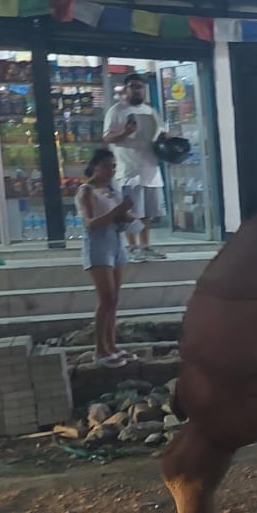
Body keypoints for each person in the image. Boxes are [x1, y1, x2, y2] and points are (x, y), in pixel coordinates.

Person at [75, 148, 135, 368]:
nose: (111, 171)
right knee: (106, 298)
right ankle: (100, 349)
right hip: (98, 244)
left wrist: (127, 213)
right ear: (95, 166)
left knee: (114, 299)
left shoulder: (111, 189)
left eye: (114, 167)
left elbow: (120, 215)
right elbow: (90, 222)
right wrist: (116, 211)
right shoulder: (86, 191)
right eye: (108, 166)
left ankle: (112, 344)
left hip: (116, 241)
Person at [103, 73, 168, 262]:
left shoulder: (151, 111)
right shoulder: (116, 111)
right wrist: (125, 132)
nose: (137, 90)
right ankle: (131, 247)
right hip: (129, 170)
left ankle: (145, 246)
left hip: (152, 169)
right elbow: (107, 138)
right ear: (126, 89)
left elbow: (158, 135)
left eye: (140, 86)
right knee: (131, 213)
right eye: (133, 86)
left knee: (148, 213)